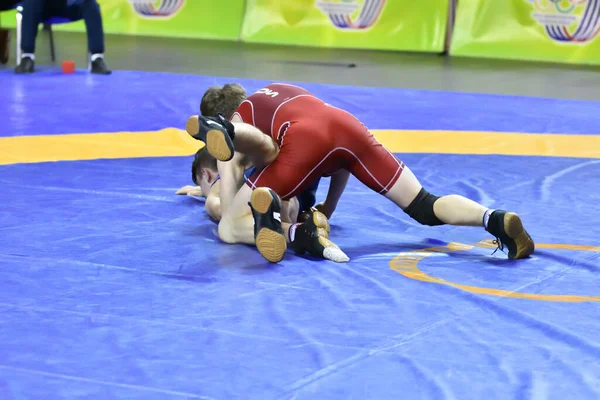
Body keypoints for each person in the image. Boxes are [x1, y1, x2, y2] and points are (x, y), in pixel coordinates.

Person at [187, 83, 535, 264]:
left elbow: (236, 190)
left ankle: (299, 236)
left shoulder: (243, 115)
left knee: (229, 228)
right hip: (346, 126)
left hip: (298, 142)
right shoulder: (278, 90)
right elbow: (336, 161)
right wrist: (329, 207)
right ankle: (493, 218)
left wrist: (225, 205)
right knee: (425, 205)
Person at [176, 147, 322, 225]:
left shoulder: (224, 176)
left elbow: (217, 199)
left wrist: (210, 196)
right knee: (288, 203)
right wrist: (201, 190)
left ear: (206, 174)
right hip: (304, 184)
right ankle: (294, 223)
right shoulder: (246, 158)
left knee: (214, 205)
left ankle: (287, 228)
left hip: (283, 193)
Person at [15, 0, 111, 74]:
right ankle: (27, 57)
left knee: (90, 4)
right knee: (30, 2)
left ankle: (97, 59)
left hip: (68, 5)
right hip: (43, 7)